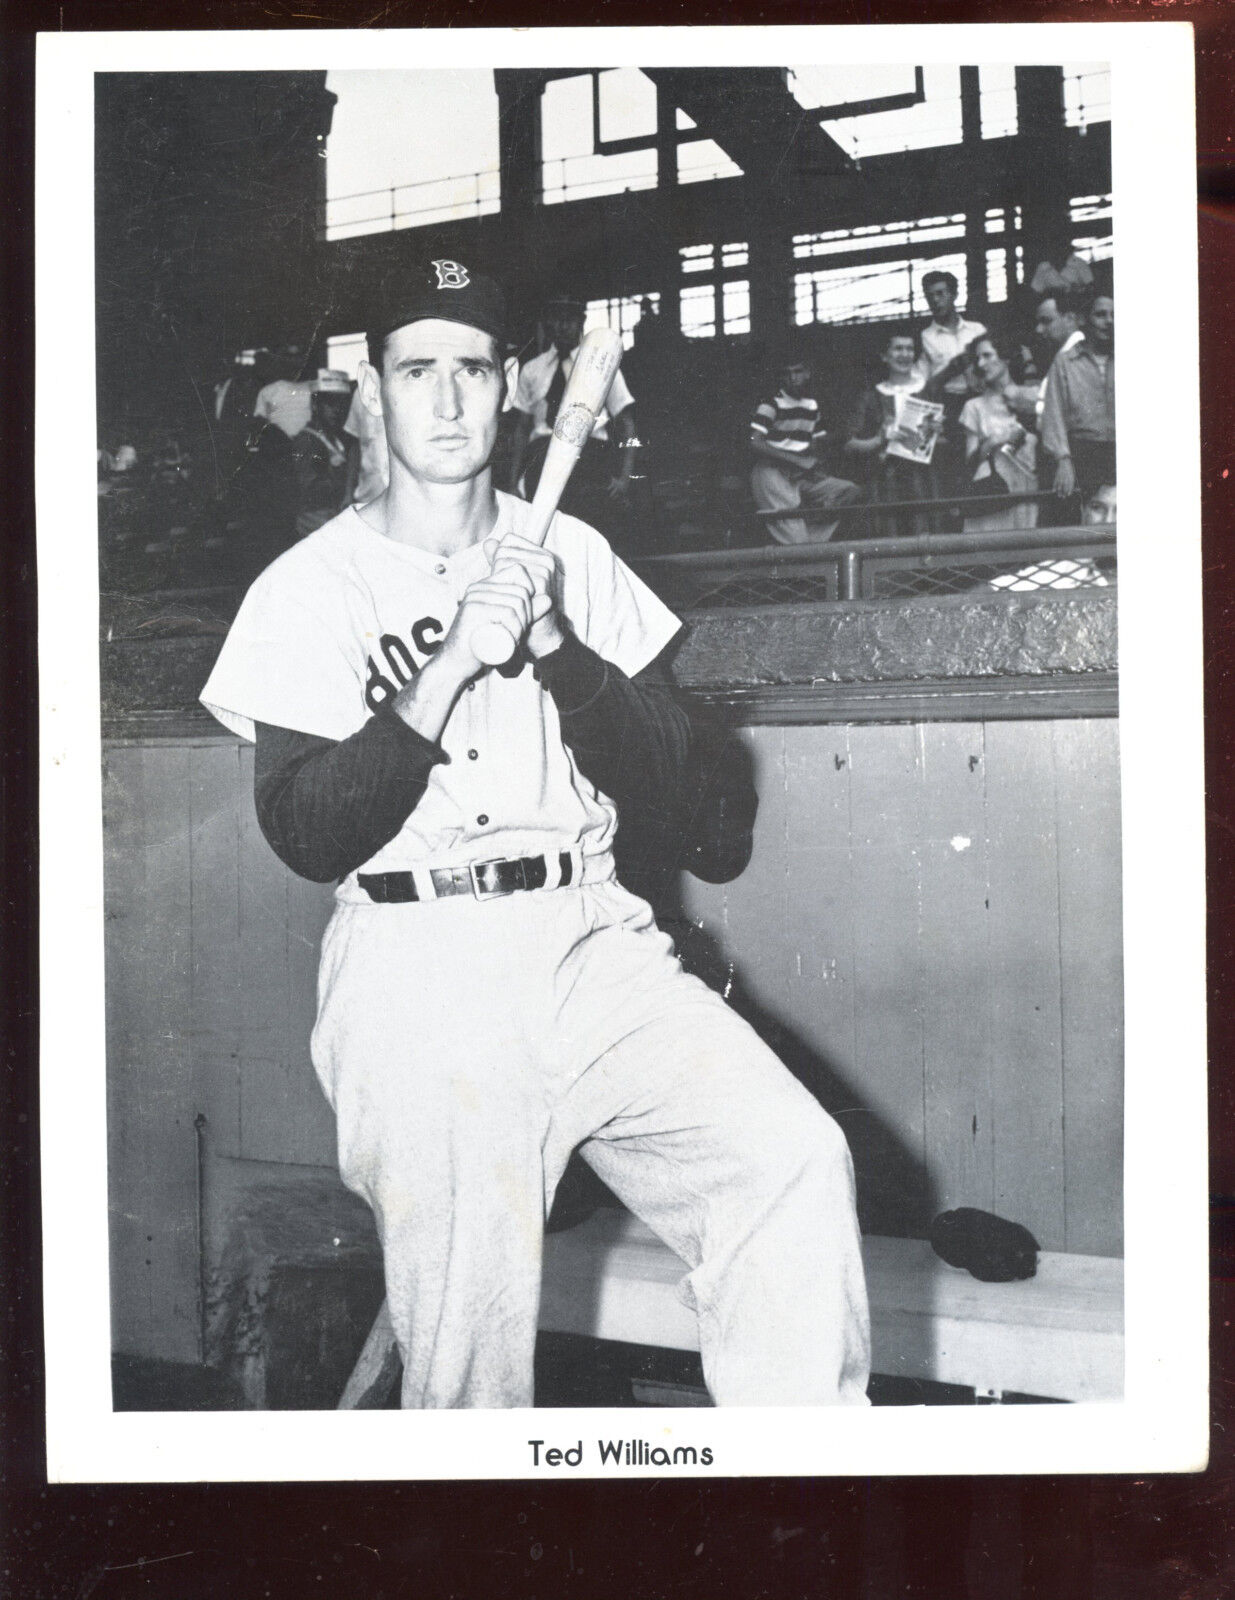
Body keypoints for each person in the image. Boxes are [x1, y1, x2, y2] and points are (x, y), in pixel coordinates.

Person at [199, 256, 870, 1411]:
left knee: (787, 1159)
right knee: (469, 1352)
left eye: (471, 369)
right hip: (419, 962)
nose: (449, 401)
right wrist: (450, 662)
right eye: (418, 370)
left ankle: (795, 1502)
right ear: (375, 390)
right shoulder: (309, 587)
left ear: (512, 386)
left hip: (592, 936)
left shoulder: (582, 555)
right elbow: (306, 831)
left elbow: (709, 817)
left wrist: (559, 645)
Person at [506, 290, 638, 543]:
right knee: (547, 538)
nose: (562, 325)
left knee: (592, 538)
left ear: (581, 321)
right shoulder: (533, 370)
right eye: (556, 318)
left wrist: (624, 479)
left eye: (569, 318)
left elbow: (627, 424)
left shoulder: (602, 366)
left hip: (589, 459)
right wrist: (513, 483)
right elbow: (522, 429)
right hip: (542, 458)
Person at [748, 344, 860, 544]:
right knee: (797, 540)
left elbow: (815, 443)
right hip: (771, 473)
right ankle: (799, 543)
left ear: (807, 373)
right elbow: (755, 442)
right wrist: (797, 461)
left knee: (848, 491)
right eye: (787, 373)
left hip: (799, 476)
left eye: (798, 372)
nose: (793, 378)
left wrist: (842, 436)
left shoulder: (811, 405)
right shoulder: (772, 404)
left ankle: (806, 535)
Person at [844, 327, 944, 536]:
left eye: (909, 349)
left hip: (922, 480)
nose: (905, 354)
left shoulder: (928, 390)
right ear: (884, 356)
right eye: (898, 348)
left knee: (924, 536)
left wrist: (936, 432)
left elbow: (943, 442)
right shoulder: (871, 396)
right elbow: (850, 445)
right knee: (890, 537)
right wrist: (880, 439)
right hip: (884, 481)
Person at [958, 334, 1039, 533]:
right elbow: (971, 461)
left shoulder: (1033, 397)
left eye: (987, 356)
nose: (981, 363)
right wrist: (992, 442)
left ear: (1006, 358)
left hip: (1026, 486)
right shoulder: (974, 406)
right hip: (993, 488)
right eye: (978, 358)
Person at [1039, 292, 1115, 502]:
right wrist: (1063, 460)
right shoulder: (1065, 362)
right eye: (1101, 315)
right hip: (1083, 455)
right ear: (1084, 319)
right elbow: (1053, 415)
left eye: (1113, 315)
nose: (1109, 321)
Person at [291, 370, 354, 536]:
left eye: (341, 403)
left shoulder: (337, 438)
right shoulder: (307, 440)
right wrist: (347, 482)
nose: (336, 410)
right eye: (330, 403)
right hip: (315, 519)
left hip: (334, 514)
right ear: (315, 405)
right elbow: (308, 488)